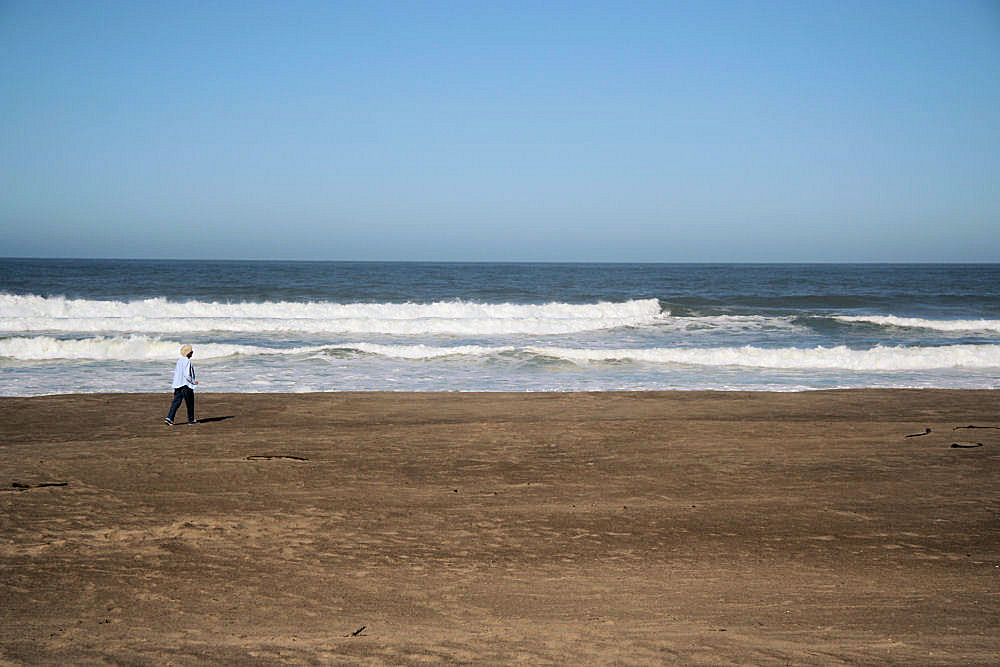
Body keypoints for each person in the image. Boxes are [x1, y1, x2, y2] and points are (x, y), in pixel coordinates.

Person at [164, 344, 198, 425]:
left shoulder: (179, 360)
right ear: (188, 353)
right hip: (185, 385)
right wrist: (193, 382)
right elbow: (187, 375)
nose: (192, 353)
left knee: (176, 402)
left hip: (178, 385)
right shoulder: (187, 361)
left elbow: (177, 373)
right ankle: (191, 420)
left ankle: (169, 418)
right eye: (191, 352)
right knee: (190, 403)